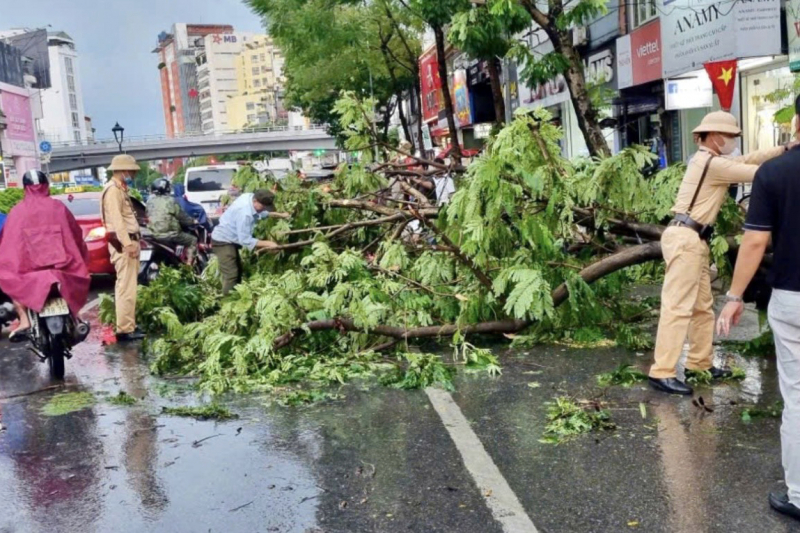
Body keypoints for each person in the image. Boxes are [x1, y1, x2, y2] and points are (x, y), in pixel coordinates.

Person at [649, 111, 795, 395]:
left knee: (702, 307)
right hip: (686, 239)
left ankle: (699, 363)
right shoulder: (711, 163)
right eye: (730, 136)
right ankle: (662, 371)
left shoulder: (710, 160)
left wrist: (782, 149)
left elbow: (744, 160)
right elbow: (759, 172)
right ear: (715, 136)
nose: (733, 141)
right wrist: (789, 160)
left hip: (694, 239)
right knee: (677, 307)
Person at [717, 95, 800, 521]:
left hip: (792, 296)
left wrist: (734, 297)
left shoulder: (775, 173)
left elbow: (754, 241)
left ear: (797, 122)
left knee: (798, 395)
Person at [0, 170, 90, 340]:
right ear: (46, 186)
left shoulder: (17, 212)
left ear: (25, 188)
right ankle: (76, 317)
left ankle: (24, 320)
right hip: (63, 271)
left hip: (29, 276)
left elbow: (7, 244)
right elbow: (76, 235)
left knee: (8, 277)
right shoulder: (58, 207)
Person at [211, 189, 289, 295]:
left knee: (238, 271)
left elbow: (263, 213)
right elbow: (245, 240)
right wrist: (269, 244)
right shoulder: (245, 214)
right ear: (255, 201)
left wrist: (280, 215)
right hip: (223, 241)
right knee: (231, 274)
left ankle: (235, 296)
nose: (263, 210)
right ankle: (227, 303)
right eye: (263, 207)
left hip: (231, 239)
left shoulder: (249, 197)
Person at [102, 154, 144, 342]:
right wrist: (127, 244)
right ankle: (125, 329)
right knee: (125, 287)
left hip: (129, 242)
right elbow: (117, 221)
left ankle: (128, 324)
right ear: (124, 170)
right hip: (123, 245)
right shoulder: (112, 191)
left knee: (129, 286)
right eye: (131, 171)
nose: (133, 175)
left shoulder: (120, 189)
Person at [146, 178, 197, 263]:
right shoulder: (171, 201)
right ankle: (189, 267)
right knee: (193, 240)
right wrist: (193, 221)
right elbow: (182, 217)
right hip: (171, 235)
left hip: (154, 234)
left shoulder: (149, 201)